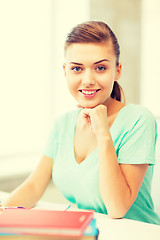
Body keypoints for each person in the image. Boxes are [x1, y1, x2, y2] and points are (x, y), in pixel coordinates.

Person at [1, 21, 160, 225]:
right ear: (65, 71)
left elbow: (117, 208)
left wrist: (103, 133)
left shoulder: (139, 120)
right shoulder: (62, 124)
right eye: (77, 68)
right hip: (87, 232)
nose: (88, 80)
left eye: (100, 68)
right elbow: (33, 186)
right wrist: (3, 209)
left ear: (117, 70)